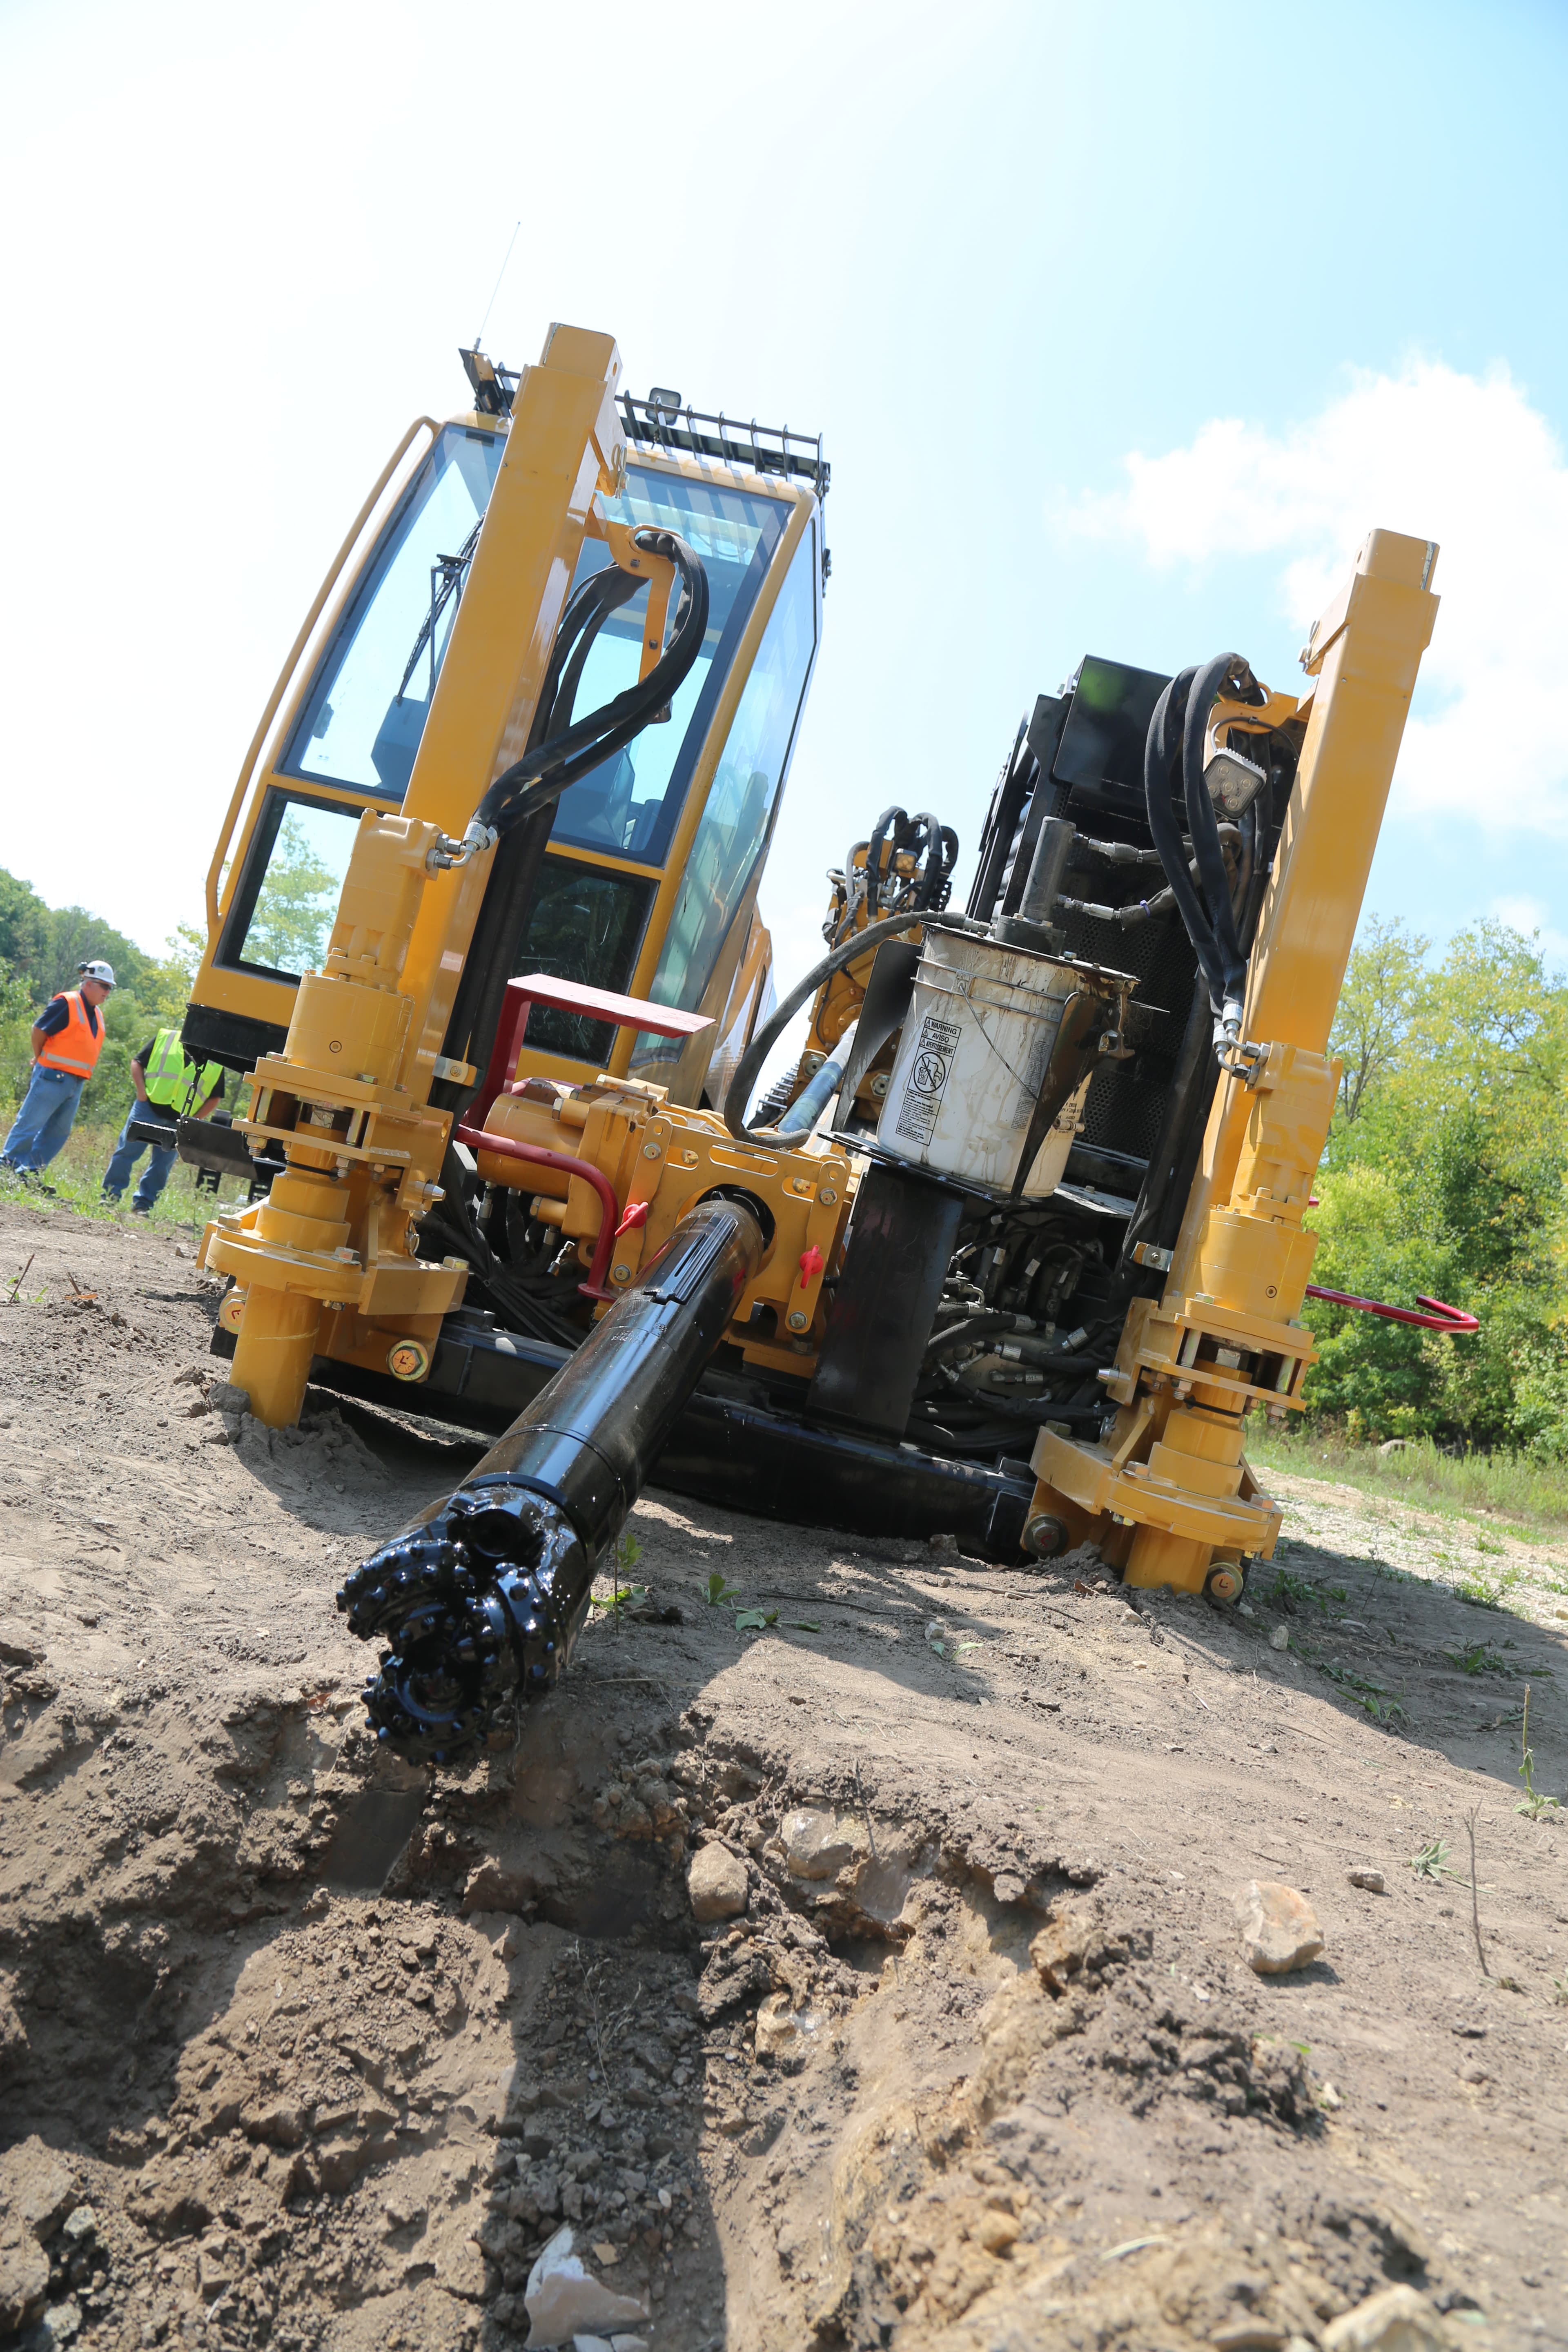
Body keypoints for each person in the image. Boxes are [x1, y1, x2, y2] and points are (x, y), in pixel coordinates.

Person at [0, 961, 117, 1192]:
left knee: (59, 1132)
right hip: (52, 1075)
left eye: (110, 987)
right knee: (30, 1123)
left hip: (76, 1081)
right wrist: (39, 1057)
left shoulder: (97, 1014)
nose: (107, 992)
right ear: (87, 983)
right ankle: (7, 1169)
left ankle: (28, 1175)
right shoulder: (67, 1002)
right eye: (103, 986)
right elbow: (39, 1030)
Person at [102, 1027, 225, 1214]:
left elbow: (215, 1097)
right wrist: (141, 1094)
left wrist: (194, 1120)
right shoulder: (165, 1037)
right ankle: (110, 1197)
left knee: (162, 1165)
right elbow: (137, 1063)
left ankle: (143, 1204)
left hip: (179, 1121)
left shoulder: (216, 1062)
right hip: (148, 1108)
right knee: (126, 1152)